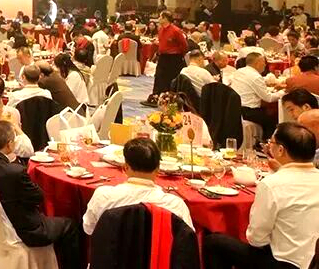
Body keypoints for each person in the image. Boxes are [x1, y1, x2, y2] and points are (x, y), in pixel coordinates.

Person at [203, 122, 319, 269]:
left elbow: (256, 239)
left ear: (281, 150)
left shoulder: (273, 184)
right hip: (314, 260)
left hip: (286, 264)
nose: (269, 146)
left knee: (214, 242)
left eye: (271, 142)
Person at [0, 120, 82, 269]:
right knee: (71, 225)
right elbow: (38, 197)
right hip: (24, 230)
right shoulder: (14, 172)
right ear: (10, 144)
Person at [81, 137, 193, 235]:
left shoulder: (103, 196)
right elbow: (187, 240)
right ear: (158, 169)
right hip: (158, 254)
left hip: (112, 253)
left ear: (125, 167)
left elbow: (89, 228)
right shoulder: (175, 205)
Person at [231, 52, 284, 140]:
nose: (265, 65)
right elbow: (268, 98)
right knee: (273, 120)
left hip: (235, 108)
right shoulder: (255, 77)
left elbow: (250, 87)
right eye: (263, 62)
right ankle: (266, 143)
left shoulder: (239, 71)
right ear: (257, 63)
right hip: (249, 111)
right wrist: (283, 92)